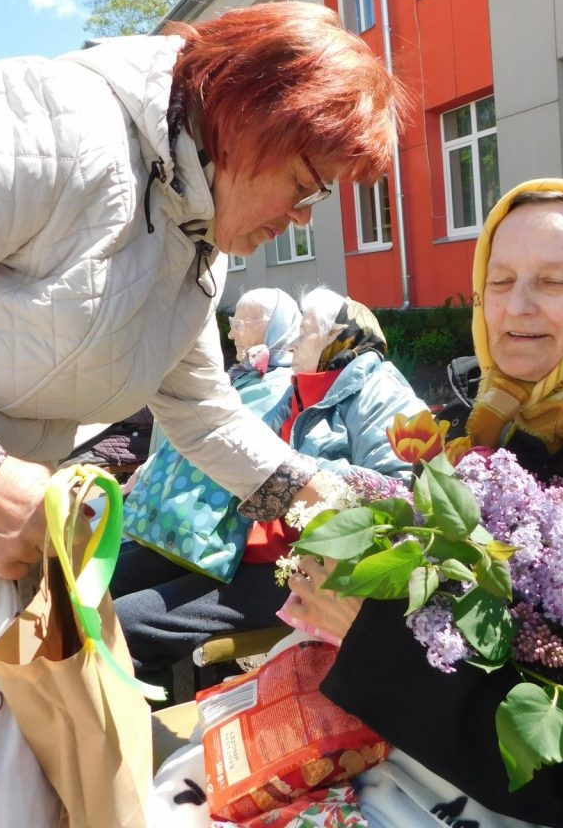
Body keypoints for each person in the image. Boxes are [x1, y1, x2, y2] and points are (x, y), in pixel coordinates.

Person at [0, 0, 410, 717]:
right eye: (307, 186)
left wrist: (320, 497)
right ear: (255, 115)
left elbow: (202, 413)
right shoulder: (50, 128)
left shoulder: (195, 243)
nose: (302, 218)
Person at [148, 179, 563, 828]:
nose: (516, 307)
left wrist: (371, 630)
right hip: (402, 752)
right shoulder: (481, 424)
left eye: (554, 282)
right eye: (501, 279)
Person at [112, 286, 427, 698]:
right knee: (107, 579)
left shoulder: (377, 388)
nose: (296, 335)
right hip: (240, 542)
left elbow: (402, 493)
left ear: (340, 337)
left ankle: (125, 732)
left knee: (125, 621)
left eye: (309, 327)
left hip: (302, 566)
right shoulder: (296, 388)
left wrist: (296, 473)